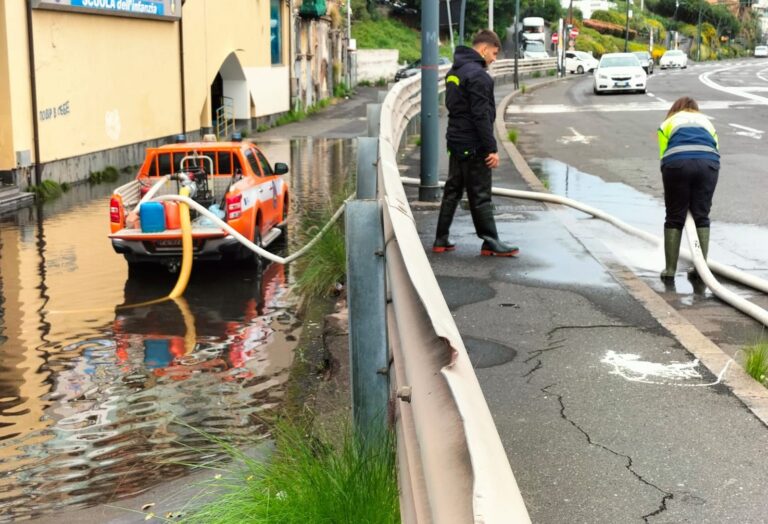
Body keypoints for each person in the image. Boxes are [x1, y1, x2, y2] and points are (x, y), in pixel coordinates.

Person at [432, 29, 519, 257]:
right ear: (483, 49)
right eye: (494, 53)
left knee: (452, 190)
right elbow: (482, 116)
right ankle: (490, 241)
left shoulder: (455, 71)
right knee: (480, 194)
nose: (494, 58)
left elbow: (454, 107)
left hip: (456, 140)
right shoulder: (479, 76)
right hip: (474, 144)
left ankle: (441, 239)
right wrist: (491, 148)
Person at [657, 96, 720, 282]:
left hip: (677, 163)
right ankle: (701, 267)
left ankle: (669, 270)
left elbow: (663, 155)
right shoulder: (707, 122)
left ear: (675, 108)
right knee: (701, 215)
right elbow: (716, 149)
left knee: (675, 217)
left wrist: (672, 187)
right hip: (709, 163)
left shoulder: (667, 123)